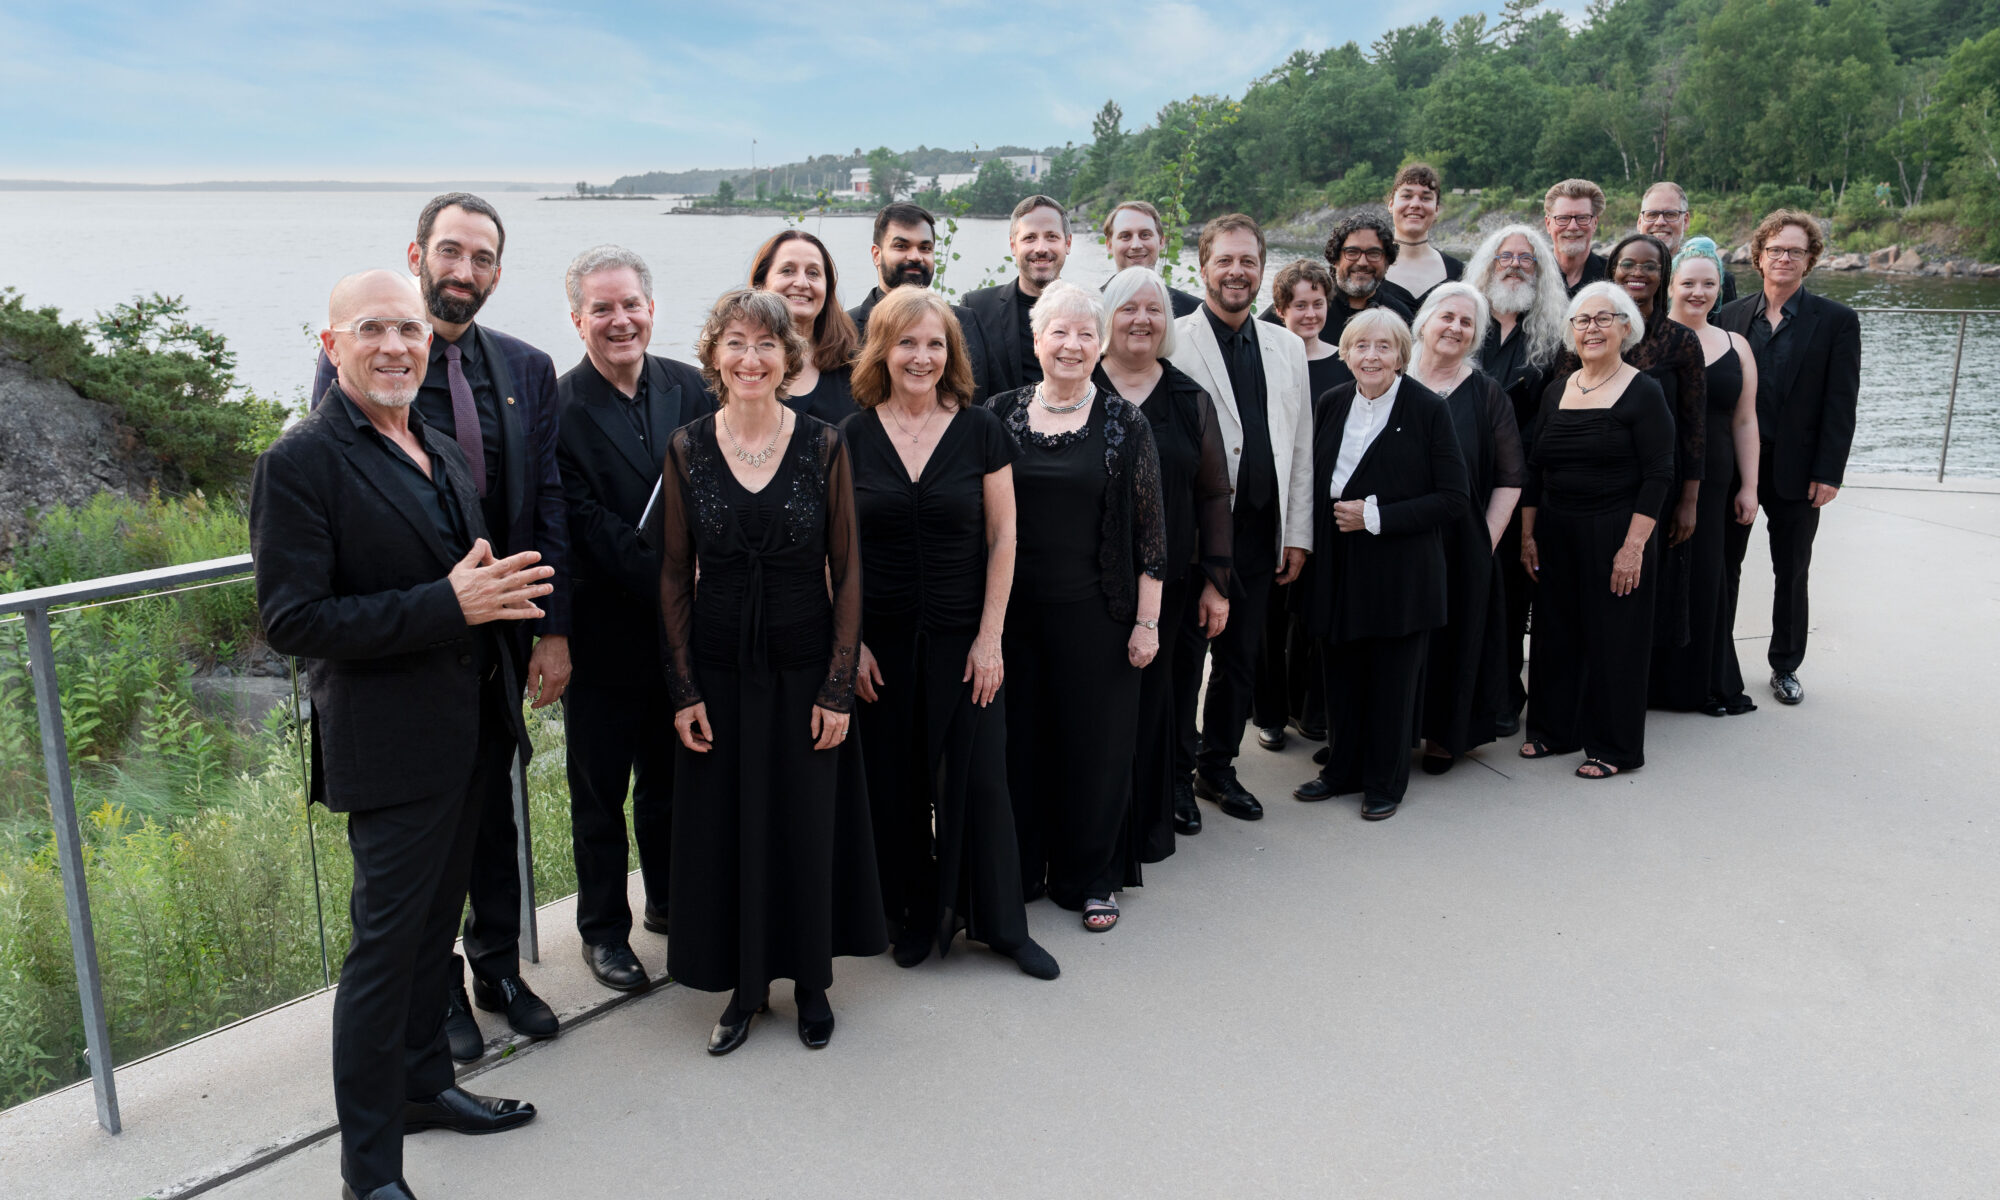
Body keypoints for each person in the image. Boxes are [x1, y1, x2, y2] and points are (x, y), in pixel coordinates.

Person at [256, 270, 549, 1200]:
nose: (395, 346)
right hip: (387, 751)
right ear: (332, 344)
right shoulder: (300, 461)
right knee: (383, 959)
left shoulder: (435, 445)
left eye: (410, 331)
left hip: (469, 733)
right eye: (373, 329)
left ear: (430, 344)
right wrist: (446, 602)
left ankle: (427, 1088)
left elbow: (462, 581)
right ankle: (368, 1174)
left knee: (431, 942)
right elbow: (294, 621)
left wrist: (489, 597)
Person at [310, 192, 565, 1054]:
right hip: (406, 655)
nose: (464, 271)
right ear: (417, 257)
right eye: (450, 252)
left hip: (499, 638)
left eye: (482, 258)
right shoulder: (365, 361)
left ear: (497, 273)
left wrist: (550, 627)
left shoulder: (528, 369)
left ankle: (498, 965)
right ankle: (438, 996)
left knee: (489, 814)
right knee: (414, 858)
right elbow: (337, 506)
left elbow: (549, 498)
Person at [658, 288, 885, 1055]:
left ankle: (811, 983)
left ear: (789, 357)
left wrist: (837, 686)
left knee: (805, 826)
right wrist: (683, 687)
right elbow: (673, 573)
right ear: (714, 356)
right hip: (720, 673)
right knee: (731, 831)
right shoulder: (687, 445)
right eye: (735, 343)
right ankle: (745, 990)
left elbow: (848, 570)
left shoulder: (824, 443)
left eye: (765, 344)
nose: (750, 358)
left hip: (803, 666)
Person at [844, 287, 1058, 980]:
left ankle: (1000, 926)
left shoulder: (980, 430)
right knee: (896, 782)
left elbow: (1005, 538)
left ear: (951, 353)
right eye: (907, 342)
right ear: (882, 349)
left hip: (966, 638)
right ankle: (912, 915)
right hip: (881, 642)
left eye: (935, 343)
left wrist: (990, 637)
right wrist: (852, 647)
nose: (922, 356)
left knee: (979, 781)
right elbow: (831, 555)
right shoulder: (849, 438)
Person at [553, 246, 714, 993]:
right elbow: (579, 520)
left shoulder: (692, 387)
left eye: (630, 305)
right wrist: (675, 576)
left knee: (668, 782)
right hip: (603, 633)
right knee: (598, 795)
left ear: (652, 309)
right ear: (578, 318)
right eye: (602, 308)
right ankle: (602, 934)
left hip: (681, 639)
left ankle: (669, 903)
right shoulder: (557, 408)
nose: (620, 320)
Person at [990, 280, 1167, 933]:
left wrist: (1147, 621)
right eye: (1058, 332)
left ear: (1101, 344)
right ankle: (1023, 868)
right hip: (1013, 621)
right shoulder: (1000, 413)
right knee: (1020, 746)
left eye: (1084, 333)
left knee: (1094, 749)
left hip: (1100, 617)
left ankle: (1091, 879)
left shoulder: (1125, 422)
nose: (1071, 344)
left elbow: (1152, 534)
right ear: (1036, 341)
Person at [1292, 308, 1469, 820]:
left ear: (1401, 355)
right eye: (1361, 346)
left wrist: (1376, 516)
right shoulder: (1330, 401)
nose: (1372, 356)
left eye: (1384, 347)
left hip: (1401, 568)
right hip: (1338, 562)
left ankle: (1385, 784)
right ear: (1345, 353)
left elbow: (1454, 497)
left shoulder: (1427, 409)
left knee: (1392, 681)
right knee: (1340, 674)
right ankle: (1340, 770)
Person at [1168, 214, 1314, 822]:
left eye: (1248, 261)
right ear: (1203, 267)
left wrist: (1298, 533)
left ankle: (1217, 768)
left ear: (1262, 270)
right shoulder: (1172, 338)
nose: (1236, 271)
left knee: (1240, 659)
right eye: (1224, 260)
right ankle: (1172, 775)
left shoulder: (1285, 345)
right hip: (1193, 536)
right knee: (1182, 661)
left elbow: (1300, 444)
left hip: (1260, 534)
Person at [1094, 267, 1232, 846]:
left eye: (1154, 309)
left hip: (1170, 581)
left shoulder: (1188, 399)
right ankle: (1094, 814)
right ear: (1107, 317)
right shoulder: (1076, 386)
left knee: (1165, 696)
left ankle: (1158, 803)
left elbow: (1213, 493)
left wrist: (1216, 581)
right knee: (1097, 703)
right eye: (1129, 308)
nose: (1142, 319)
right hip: (1087, 583)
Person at [1518, 283, 1676, 778]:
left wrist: (1633, 548)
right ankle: (1553, 731)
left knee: (1615, 641)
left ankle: (1614, 747)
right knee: (1555, 634)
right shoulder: (1557, 390)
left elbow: (1659, 474)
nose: (1591, 329)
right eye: (1581, 321)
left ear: (1626, 327)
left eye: (1603, 319)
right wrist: (1528, 535)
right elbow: (1535, 469)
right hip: (1556, 529)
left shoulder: (1644, 391)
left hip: (1615, 532)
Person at [1714, 209, 1861, 706]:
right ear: (1758, 257)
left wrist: (1829, 472)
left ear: (1810, 260)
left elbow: (1842, 402)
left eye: (1794, 251)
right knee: (1724, 566)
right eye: (1775, 249)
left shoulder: (1836, 322)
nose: (1783, 258)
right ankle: (1718, 660)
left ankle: (1784, 666)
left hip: (1800, 471)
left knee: (1791, 570)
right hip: (1736, 467)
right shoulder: (1729, 317)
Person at [1405, 283, 1524, 773]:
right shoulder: (1389, 377)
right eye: (1447, 316)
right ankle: (1387, 729)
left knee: (1453, 642)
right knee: (1393, 641)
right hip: (1391, 539)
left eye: (1467, 322)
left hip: (1461, 545)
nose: (1455, 327)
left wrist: (1485, 540)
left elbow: (1511, 477)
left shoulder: (1486, 393)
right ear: (1425, 322)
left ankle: (1443, 736)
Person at [1650, 237, 1762, 714]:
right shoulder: (1649, 338)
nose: (1699, 292)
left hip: (1716, 479)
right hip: (1659, 473)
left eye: (1709, 284)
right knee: (1657, 576)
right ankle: (1652, 681)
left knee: (1707, 576)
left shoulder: (1736, 344)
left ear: (1721, 288)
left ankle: (1703, 682)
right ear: (1671, 284)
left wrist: (1750, 486)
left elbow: (1745, 419)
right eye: (1689, 282)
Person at [1465, 223, 1569, 732]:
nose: (1514, 265)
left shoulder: (1553, 335)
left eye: (1527, 259)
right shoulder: (1466, 321)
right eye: (1505, 256)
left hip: (1526, 485)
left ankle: (1504, 699)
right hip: (1462, 480)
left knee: (1510, 596)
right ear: (1488, 264)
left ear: (1541, 270)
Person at [1592, 233, 1706, 658]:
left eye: (1650, 266)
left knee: (1649, 579)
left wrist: (1690, 498)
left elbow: (1695, 424)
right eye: (1627, 264)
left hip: (1658, 481)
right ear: (1612, 270)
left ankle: (1646, 681)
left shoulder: (1680, 341)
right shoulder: (1590, 330)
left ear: (1665, 275)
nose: (1637, 273)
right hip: (1596, 480)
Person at [1250, 259, 1341, 754]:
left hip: (1326, 508)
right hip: (1274, 502)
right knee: (1268, 616)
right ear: (1280, 309)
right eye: (1298, 305)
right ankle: (1267, 713)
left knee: (1313, 617)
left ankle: (1310, 709)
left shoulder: (1346, 359)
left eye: (1317, 304)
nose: (1309, 313)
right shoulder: (1267, 357)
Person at [845, 202, 991, 387]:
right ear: (876, 255)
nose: (915, 256)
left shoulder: (967, 322)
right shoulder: (845, 331)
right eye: (901, 246)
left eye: (925, 248)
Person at [962, 194, 1072, 400]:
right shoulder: (976, 309)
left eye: (1051, 237)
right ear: (1013, 246)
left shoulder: (1089, 311)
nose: (1041, 248)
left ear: (1068, 243)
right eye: (1030, 238)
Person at [750, 229, 860, 423]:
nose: (802, 283)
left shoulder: (854, 367)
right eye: (787, 270)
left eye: (813, 273)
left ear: (827, 289)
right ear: (761, 283)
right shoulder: (737, 363)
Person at [1637, 181, 1738, 314]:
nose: (1660, 222)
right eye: (1652, 214)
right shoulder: (1621, 277)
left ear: (1685, 221)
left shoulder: (1719, 280)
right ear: (1640, 222)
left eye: (1670, 214)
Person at [1381, 162, 1465, 312]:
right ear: (1391, 204)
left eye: (1425, 198)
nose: (1415, 204)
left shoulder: (1459, 273)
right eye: (1407, 196)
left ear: (1437, 209)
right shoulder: (1368, 268)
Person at [1100, 200, 1202, 315]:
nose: (1136, 245)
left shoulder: (1195, 312)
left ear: (1161, 241)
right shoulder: (1092, 308)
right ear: (1109, 245)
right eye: (1125, 236)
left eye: (1145, 235)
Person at [1544, 179, 1609, 296]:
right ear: (1548, 224)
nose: (1573, 227)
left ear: (1595, 223)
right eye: (1563, 218)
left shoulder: (1612, 277)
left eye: (1582, 218)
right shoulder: (1532, 276)